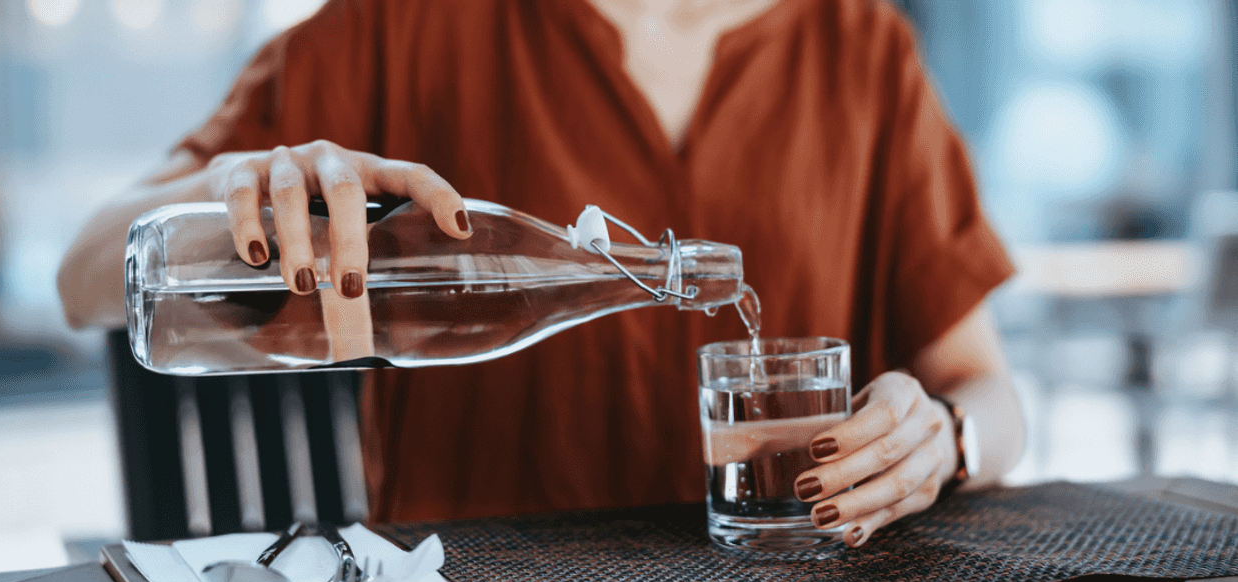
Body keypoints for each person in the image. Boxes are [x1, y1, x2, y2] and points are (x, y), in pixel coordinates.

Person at [57, 0, 1025, 548]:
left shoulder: (860, 50)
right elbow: (82, 274)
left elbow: (986, 383)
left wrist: (947, 436)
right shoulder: (403, 27)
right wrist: (230, 191)